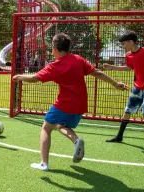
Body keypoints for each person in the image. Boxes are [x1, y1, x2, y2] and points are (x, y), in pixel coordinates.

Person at [12, 33, 129, 171]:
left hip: (64, 104)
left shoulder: (54, 66)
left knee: (46, 128)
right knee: (61, 126)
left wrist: (19, 76)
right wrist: (115, 84)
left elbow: (34, 78)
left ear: (55, 49)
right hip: (80, 105)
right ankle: (76, 140)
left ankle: (44, 163)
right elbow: (97, 73)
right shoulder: (78, 59)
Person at [103, 31, 144, 150]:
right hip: (137, 87)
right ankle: (119, 136)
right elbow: (128, 67)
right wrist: (112, 67)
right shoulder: (128, 55)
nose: (123, 46)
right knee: (128, 111)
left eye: (124, 43)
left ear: (131, 42)